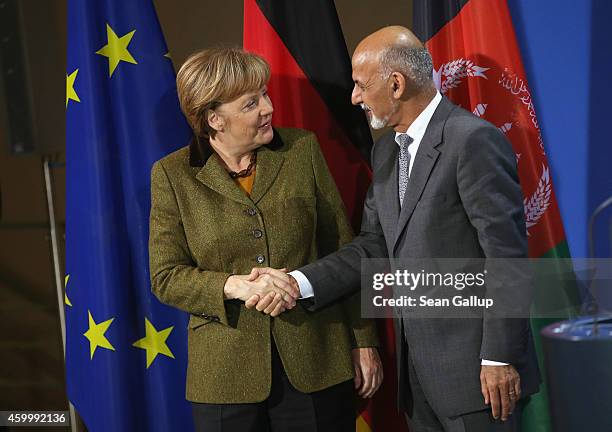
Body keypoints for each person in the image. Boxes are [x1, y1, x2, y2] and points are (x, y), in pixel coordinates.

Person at [250, 27, 541, 432]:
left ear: (397, 84)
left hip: (479, 377)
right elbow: (373, 245)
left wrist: (499, 358)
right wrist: (299, 282)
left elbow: (505, 257)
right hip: (419, 380)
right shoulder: (387, 150)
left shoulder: (471, 142)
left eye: (360, 85)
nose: (354, 97)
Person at [148, 48, 382, 432]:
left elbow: (344, 250)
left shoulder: (301, 151)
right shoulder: (173, 175)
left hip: (317, 359)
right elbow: (166, 276)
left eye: (266, 95)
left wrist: (363, 340)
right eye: (251, 103)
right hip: (224, 377)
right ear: (214, 119)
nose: (268, 108)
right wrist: (235, 285)